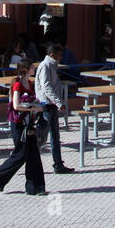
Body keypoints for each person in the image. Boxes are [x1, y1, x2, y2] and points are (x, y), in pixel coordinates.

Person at [0, 60, 47, 195]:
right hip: (19, 124)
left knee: (33, 155)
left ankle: (35, 187)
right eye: (32, 67)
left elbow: (31, 100)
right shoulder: (17, 85)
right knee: (21, 154)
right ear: (26, 70)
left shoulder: (29, 83)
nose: (34, 69)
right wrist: (33, 107)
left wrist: (37, 105)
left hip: (29, 122)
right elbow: (16, 105)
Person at [34, 42, 74, 174]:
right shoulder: (46, 66)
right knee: (42, 137)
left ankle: (58, 164)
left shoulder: (51, 66)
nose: (61, 57)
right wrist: (58, 102)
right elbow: (46, 87)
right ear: (52, 55)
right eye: (59, 55)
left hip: (51, 106)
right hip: (47, 106)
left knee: (54, 137)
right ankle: (26, 160)